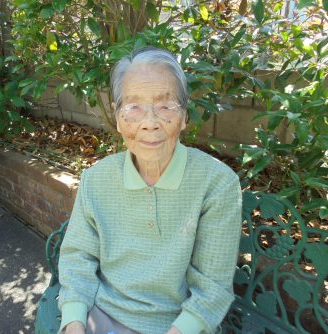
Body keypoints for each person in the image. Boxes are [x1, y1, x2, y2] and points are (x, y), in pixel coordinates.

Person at [58, 47, 242, 334]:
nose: (150, 123)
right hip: (103, 314)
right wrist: (73, 322)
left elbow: (212, 287)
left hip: (180, 324)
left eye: (165, 105)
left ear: (184, 117)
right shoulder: (96, 179)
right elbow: (77, 256)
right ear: (118, 120)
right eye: (133, 107)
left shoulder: (216, 183)